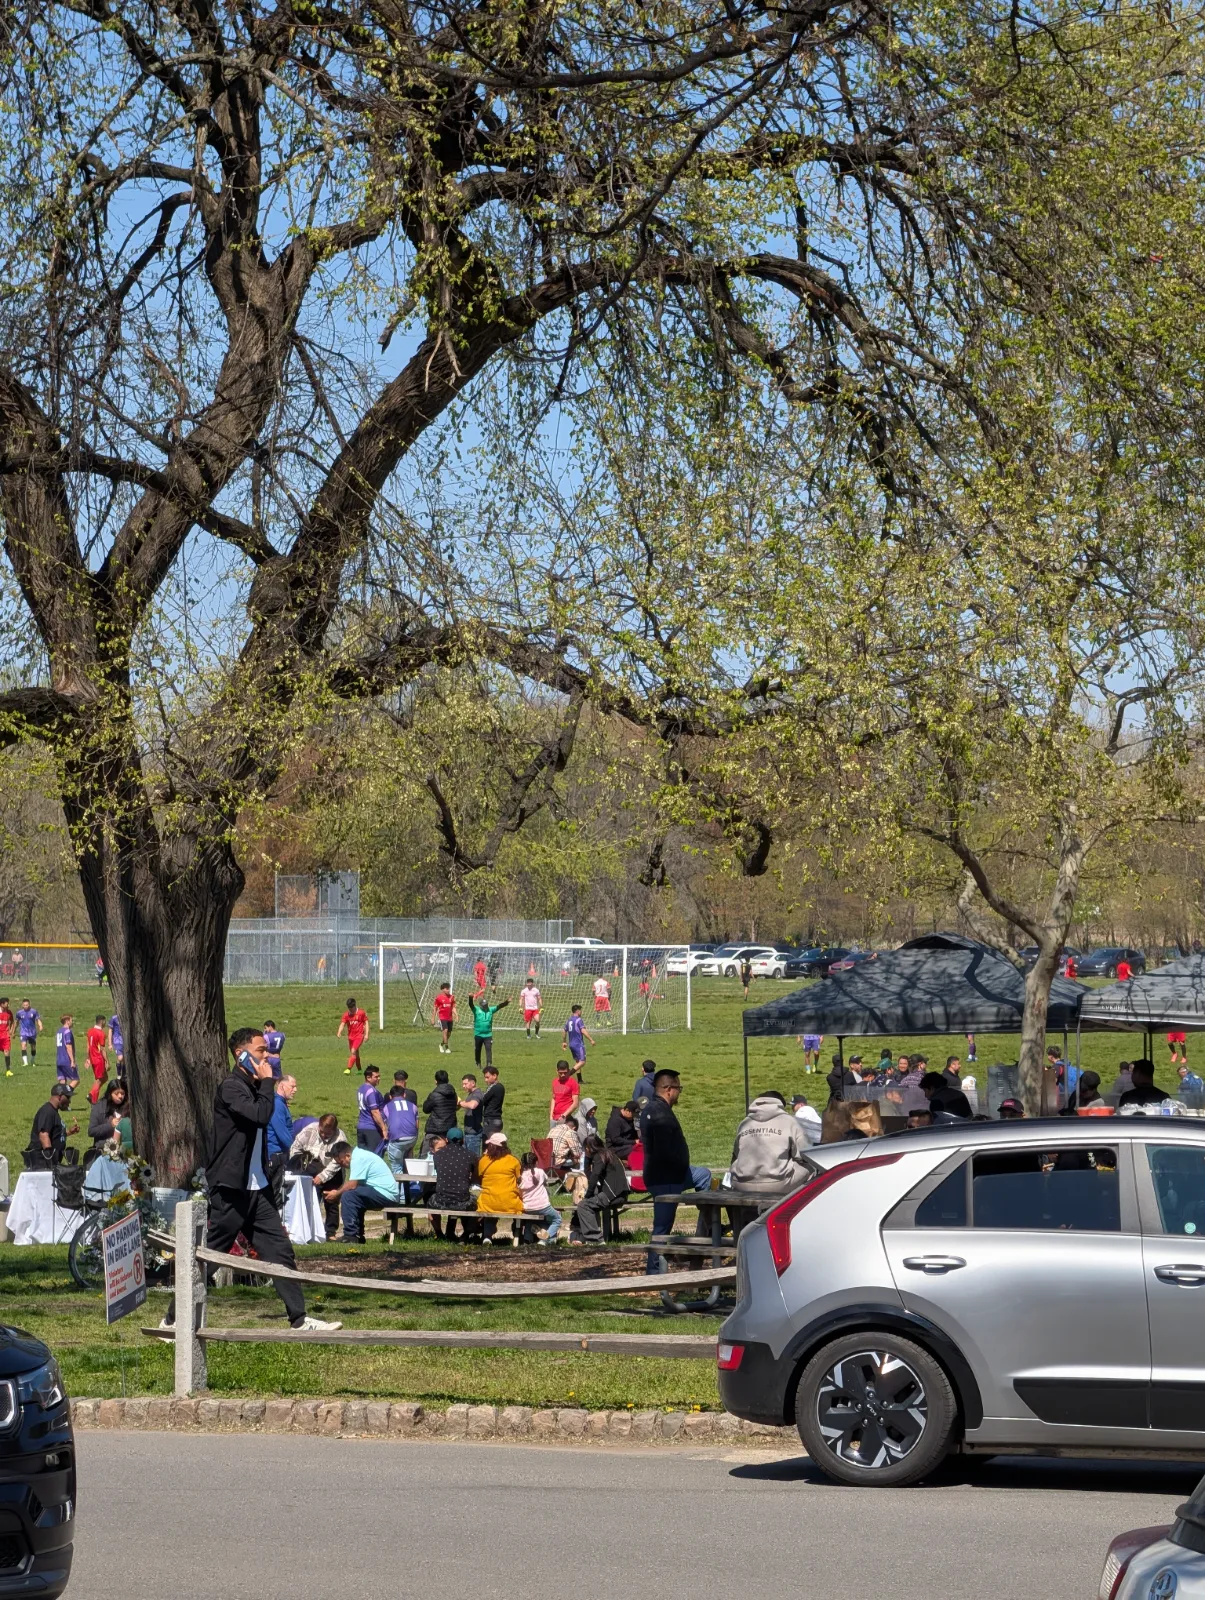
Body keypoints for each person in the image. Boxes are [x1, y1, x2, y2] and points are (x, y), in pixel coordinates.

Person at [164, 1027, 340, 1333]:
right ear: (240, 1054)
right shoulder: (232, 1088)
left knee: (280, 1251)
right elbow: (259, 1115)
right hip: (231, 1190)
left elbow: (264, 1113)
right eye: (260, 1051)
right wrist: (269, 1082)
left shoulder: (257, 1088)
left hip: (257, 1190)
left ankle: (299, 1319)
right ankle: (172, 1321)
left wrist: (266, 1084)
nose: (267, 1056)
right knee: (208, 1258)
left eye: (267, 1051)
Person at [639, 1069, 711, 1271]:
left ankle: (708, 1220)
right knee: (662, 1228)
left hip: (674, 1174)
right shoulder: (658, 1113)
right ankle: (653, 1273)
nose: (680, 1092)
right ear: (669, 1089)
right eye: (679, 1088)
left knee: (703, 1175)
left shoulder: (658, 1109)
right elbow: (664, 1150)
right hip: (665, 1177)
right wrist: (678, 1165)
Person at [730, 1091, 812, 1187]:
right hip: (777, 1184)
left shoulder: (745, 1122)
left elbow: (736, 1154)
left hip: (741, 1184)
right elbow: (805, 1154)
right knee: (811, 1166)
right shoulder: (790, 1122)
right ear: (781, 1105)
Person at [329, 1140, 403, 1244]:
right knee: (355, 1197)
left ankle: (350, 1235)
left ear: (347, 1156)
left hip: (386, 1194)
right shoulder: (360, 1155)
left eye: (341, 1162)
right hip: (384, 1193)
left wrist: (336, 1194)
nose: (342, 1166)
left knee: (348, 1196)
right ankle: (358, 1235)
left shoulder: (358, 1158)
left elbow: (352, 1185)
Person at [289, 1113, 349, 1234]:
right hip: (312, 1165)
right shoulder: (310, 1130)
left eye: (327, 1133)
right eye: (321, 1132)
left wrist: (322, 1176)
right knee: (311, 1198)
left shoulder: (340, 1137)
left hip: (333, 1170)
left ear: (334, 1130)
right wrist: (297, 1164)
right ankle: (309, 1229)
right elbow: (295, 1147)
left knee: (331, 1200)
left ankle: (330, 1231)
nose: (323, 1135)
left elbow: (336, 1162)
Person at [572, 1133, 630, 1244]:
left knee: (583, 1206)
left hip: (613, 1195)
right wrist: (588, 1160)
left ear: (589, 1148)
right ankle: (590, 1237)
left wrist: (587, 1195)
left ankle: (595, 1239)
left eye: (586, 1148)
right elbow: (589, 1174)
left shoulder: (600, 1157)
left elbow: (594, 1177)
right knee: (588, 1204)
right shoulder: (609, 1154)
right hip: (620, 1193)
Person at [475, 1131, 524, 1243]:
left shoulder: (483, 1160)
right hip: (510, 1203)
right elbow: (519, 1179)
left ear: (491, 1145)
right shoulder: (513, 1161)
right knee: (520, 1206)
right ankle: (517, 1236)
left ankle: (487, 1236)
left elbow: (479, 1178)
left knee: (489, 1210)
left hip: (487, 1202)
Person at [428, 1127, 476, 1240]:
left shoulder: (438, 1155)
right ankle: (466, 1234)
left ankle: (439, 1234)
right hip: (462, 1200)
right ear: (463, 1140)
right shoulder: (470, 1155)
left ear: (447, 1140)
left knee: (429, 1201)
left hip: (441, 1200)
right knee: (478, 1203)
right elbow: (474, 1177)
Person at [27, 1082, 77, 1168]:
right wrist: (50, 1162)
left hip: (48, 1163)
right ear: (60, 1096)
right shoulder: (47, 1111)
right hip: (42, 1164)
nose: (69, 1101)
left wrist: (68, 1132)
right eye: (68, 1097)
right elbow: (43, 1135)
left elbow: (54, 1135)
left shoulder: (53, 1112)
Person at [519, 1152, 561, 1243]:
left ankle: (527, 1239)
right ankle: (546, 1240)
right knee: (557, 1219)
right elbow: (546, 1182)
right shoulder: (540, 1172)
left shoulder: (521, 1176)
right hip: (543, 1206)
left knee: (529, 1220)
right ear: (536, 1163)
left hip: (527, 1208)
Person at [382, 1075, 420, 1177]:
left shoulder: (386, 1107)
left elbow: (385, 1124)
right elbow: (417, 1125)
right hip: (412, 1138)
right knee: (409, 1162)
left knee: (396, 1168)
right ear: (404, 1095)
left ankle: (400, 1192)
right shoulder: (413, 1106)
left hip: (397, 1140)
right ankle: (413, 1184)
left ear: (390, 1097)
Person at [422, 1067, 459, 1151]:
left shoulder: (434, 1095)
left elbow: (425, 1109)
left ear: (436, 1081)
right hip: (450, 1126)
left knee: (427, 1152)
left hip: (435, 1127)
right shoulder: (453, 1094)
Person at [468, 993, 508, 1070]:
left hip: (488, 1034)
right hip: (478, 1034)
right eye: (484, 1005)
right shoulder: (476, 1010)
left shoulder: (491, 1010)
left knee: (488, 1049)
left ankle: (489, 1063)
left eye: (486, 1005)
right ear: (480, 1005)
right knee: (478, 1049)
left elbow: (499, 1006)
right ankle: (478, 1062)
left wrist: (507, 1002)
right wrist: (470, 997)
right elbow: (471, 1005)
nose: (485, 1006)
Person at [355, 1064, 388, 1151]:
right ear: (368, 1078)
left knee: (363, 1157)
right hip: (372, 1129)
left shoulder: (361, 1088)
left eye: (379, 1076)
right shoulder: (371, 1092)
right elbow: (375, 1112)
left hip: (361, 1127)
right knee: (374, 1157)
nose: (379, 1079)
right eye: (376, 1077)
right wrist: (384, 1128)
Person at [88, 1080, 127, 1150]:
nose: (120, 1096)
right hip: (103, 1148)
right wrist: (110, 1125)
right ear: (110, 1093)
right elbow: (91, 1131)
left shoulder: (127, 1107)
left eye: (122, 1093)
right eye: (116, 1093)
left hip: (123, 1148)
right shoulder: (99, 1107)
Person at [337, 996, 369, 1075]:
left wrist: (366, 1034)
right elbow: (342, 1024)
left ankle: (348, 1069)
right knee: (356, 1054)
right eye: (349, 1008)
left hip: (359, 1036)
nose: (351, 1009)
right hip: (351, 1037)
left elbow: (366, 1023)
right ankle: (360, 1070)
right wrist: (339, 1032)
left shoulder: (361, 1013)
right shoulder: (346, 1015)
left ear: (355, 1005)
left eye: (352, 1007)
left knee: (353, 1051)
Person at [267, 1074, 297, 1158]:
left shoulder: (280, 1102)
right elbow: (282, 1132)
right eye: (292, 1086)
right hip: (275, 1154)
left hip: (280, 1152)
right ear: (282, 1086)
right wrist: (296, 1150)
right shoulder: (277, 1104)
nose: (295, 1090)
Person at [562, 1003, 594, 1074]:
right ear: (578, 1011)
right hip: (578, 1044)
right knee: (582, 1061)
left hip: (571, 1044)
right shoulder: (578, 1020)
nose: (581, 1012)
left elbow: (564, 1030)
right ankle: (568, 1075)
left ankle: (579, 1080)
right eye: (581, 1010)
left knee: (577, 1061)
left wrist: (564, 1042)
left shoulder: (569, 1020)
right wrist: (591, 1040)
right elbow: (583, 1031)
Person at [549, 1059, 581, 1130]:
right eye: (560, 1073)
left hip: (566, 1118)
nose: (563, 1075)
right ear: (557, 1071)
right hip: (554, 1118)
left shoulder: (573, 1083)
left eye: (565, 1073)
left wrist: (564, 1115)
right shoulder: (554, 1082)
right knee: (552, 1140)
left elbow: (575, 1103)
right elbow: (554, 1098)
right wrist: (551, 1116)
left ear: (569, 1071)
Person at [459, 1073, 484, 1158]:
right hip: (468, 1132)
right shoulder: (471, 1094)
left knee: (473, 1158)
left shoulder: (477, 1093)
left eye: (465, 1084)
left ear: (473, 1083)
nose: (463, 1086)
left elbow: (473, 1105)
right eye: (463, 1084)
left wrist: (460, 1102)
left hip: (474, 1133)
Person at [86, 1014, 108, 1103]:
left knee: (105, 1077)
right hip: (98, 1059)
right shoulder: (101, 1033)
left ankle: (92, 1095)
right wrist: (107, 1061)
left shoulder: (90, 1031)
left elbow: (88, 1046)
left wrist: (88, 1058)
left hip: (92, 1058)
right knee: (99, 1080)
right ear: (102, 1021)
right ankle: (93, 1098)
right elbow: (102, 1049)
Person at [480, 1064, 505, 1136]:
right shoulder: (500, 1087)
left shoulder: (494, 1087)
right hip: (496, 1119)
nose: (486, 1080)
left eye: (487, 1077)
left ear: (494, 1076)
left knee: (488, 1144)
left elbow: (483, 1100)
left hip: (491, 1120)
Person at [432, 982, 456, 1054]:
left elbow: (453, 1007)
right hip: (442, 1018)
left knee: (449, 1033)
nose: (448, 990)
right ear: (442, 989)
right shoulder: (439, 998)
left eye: (449, 988)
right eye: (446, 989)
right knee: (445, 1031)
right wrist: (433, 1018)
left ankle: (441, 1045)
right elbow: (435, 1008)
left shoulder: (452, 997)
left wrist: (456, 1015)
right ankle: (447, 1048)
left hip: (450, 1018)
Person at [17, 999, 41, 1070]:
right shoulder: (19, 1013)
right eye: (24, 1005)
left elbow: (38, 1019)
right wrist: (14, 1030)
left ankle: (32, 1060)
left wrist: (40, 1025)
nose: (25, 1006)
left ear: (29, 1005)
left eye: (27, 1005)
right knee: (23, 1045)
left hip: (32, 1032)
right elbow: (17, 1022)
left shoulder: (34, 1011)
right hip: (23, 1032)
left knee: (33, 1047)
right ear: (22, 1005)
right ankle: (25, 1062)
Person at [54, 1015, 77, 1090]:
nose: (72, 1022)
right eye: (71, 1020)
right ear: (67, 1021)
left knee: (62, 1081)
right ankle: (66, 1094)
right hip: (66, 1059)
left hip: (59, 1060)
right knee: (75, 1080)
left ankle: (59, 1099)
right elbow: (68, 1046)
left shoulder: (59, 1031)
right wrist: (72, 1061)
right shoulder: (67, 1032)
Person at [107, 1012, 125, 1079]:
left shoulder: (128, 1016)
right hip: (117, 1041)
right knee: (120, 1058)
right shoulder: (114, 1018)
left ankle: (123, 1076)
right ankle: (119, 1074)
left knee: (124, 1060)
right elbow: (110, 1031)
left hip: (125, 1041)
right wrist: (110, 1044)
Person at [0, 996, 13, 1077]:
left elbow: (12, 1021)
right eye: (7, 1004)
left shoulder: (9, 1012)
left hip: (5, 1035)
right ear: (2, 1004)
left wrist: (11, 1030)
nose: (8, 1005)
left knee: (7, 1052)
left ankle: (8, 1070)